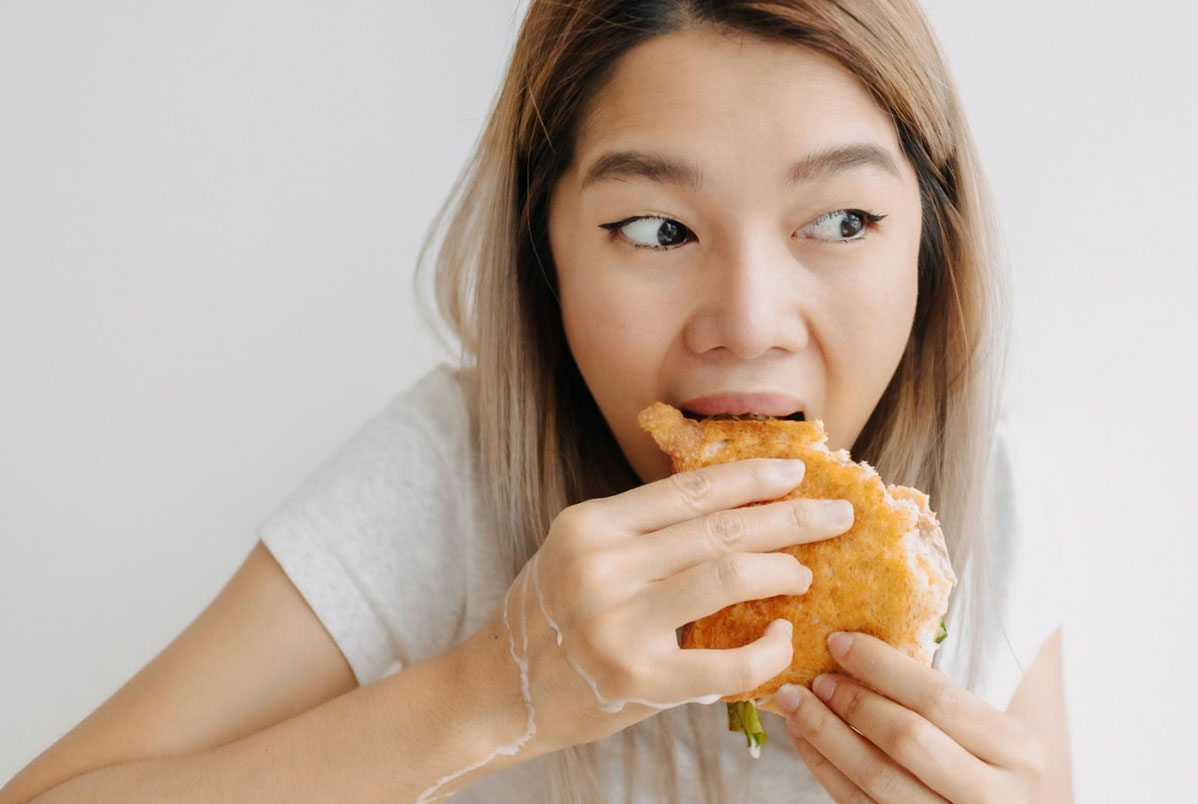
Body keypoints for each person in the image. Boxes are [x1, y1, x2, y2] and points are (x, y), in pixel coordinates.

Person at [0, 1, 1072, 803]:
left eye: (839, 220)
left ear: (933, 246)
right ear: (542, 252)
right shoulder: (452, 479)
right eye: (657, 229)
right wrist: (491, 694)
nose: (748, 321)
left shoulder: (989, 494)